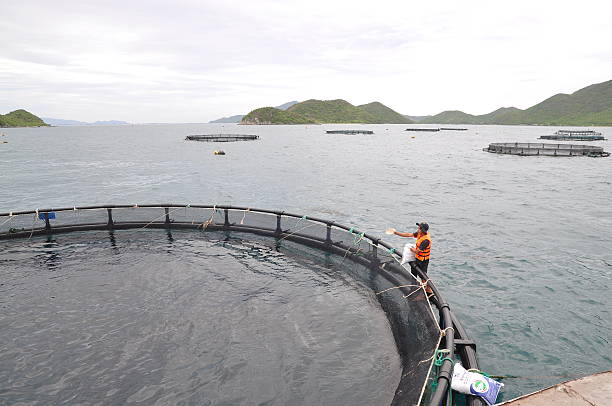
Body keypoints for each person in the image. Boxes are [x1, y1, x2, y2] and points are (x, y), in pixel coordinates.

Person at [390, 222, 432, 293]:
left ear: (422, 230)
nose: (418, 229)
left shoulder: (426, 240)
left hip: (423, 260)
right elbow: (408, 234)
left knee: (422, 275)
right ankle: (414, 286)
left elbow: (417, 251)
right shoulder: (419, 234)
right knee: (414, 271)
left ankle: (428, 290)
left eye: (419, 228)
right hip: (417, 258)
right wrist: (396, 233)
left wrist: (411, 249)